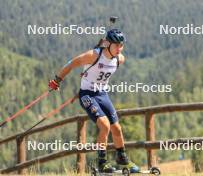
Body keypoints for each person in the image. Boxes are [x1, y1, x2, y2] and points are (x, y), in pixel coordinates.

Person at [48, 29, 140, 173]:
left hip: (102, 94)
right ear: (108, 44)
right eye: (116, 45)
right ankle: (102, 162)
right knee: (104, 125)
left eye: (121, 45)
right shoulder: (94, 55)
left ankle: (122, 158)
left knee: (117, 128)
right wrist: (57, 80)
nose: (119, 49)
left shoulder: (119, 59)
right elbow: (71, 63)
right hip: (87, 95)